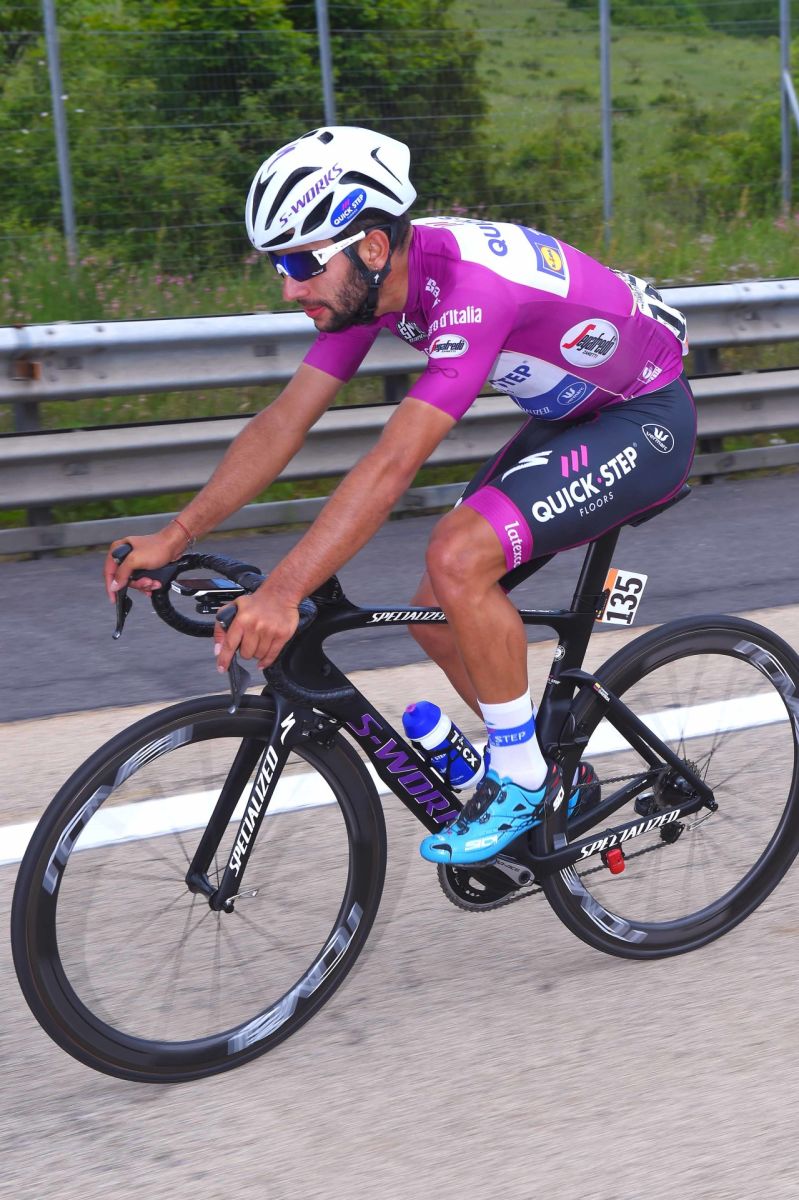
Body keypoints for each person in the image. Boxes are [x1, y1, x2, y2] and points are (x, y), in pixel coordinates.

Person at [104, 125, 695, 867]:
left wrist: (283, 594)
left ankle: (518, 779)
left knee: (457, 556)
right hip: (571, 415)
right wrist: (177, 533)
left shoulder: (471, 291)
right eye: (277, 264)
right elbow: (285, 421)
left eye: (300, 263)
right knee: (437, 614)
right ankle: (555, 778)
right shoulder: (374, 283)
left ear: (373, 245)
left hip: (643, 419)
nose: (288, 287)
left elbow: (391, 466)